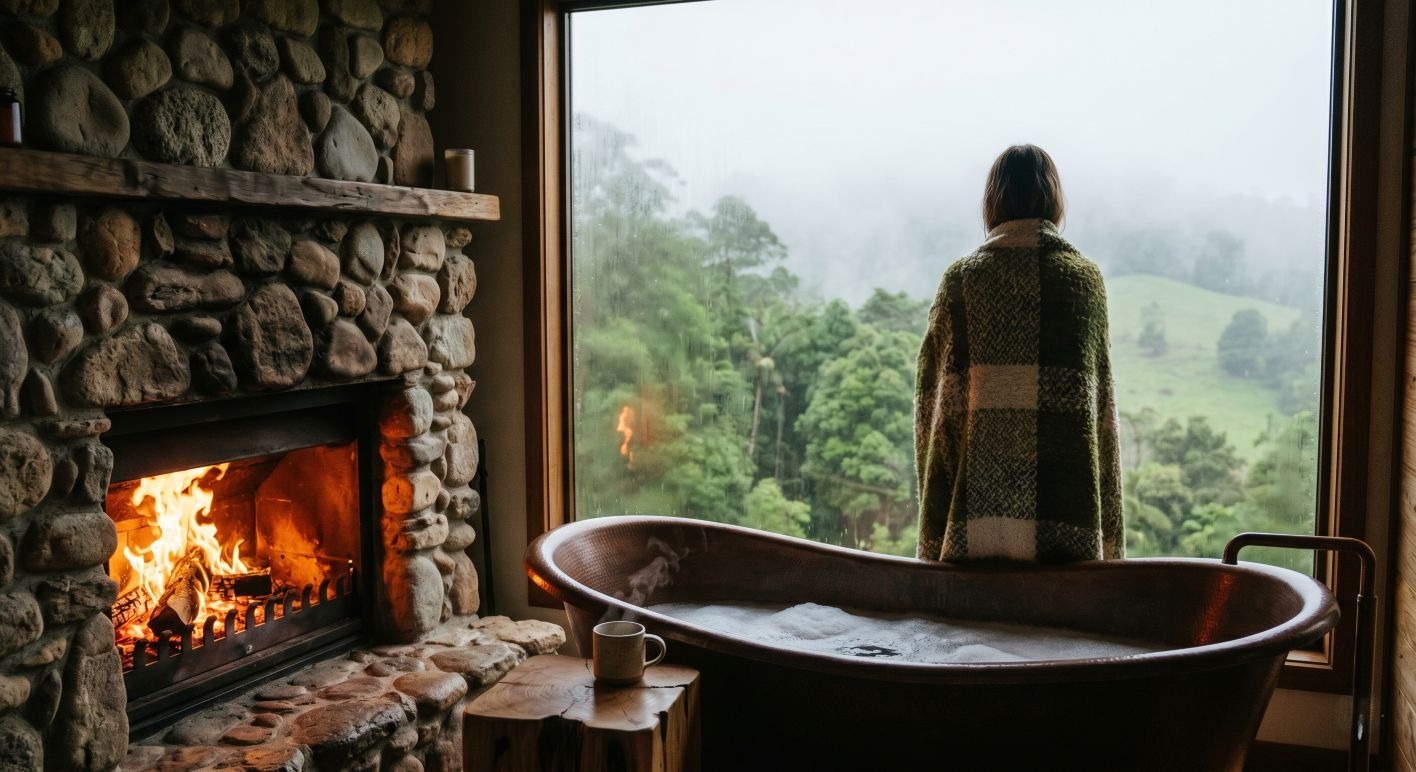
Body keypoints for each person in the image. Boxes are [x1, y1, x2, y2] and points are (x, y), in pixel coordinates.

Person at [914, 144, 1123, 562]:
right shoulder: (1084, 281)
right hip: (1068, 527)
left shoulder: (962, 280)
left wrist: (935, 527)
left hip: (974, 528)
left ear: (993, 200)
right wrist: (1110, 544)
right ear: (1054, 198)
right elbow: (1102, 417)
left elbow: (933, 412)